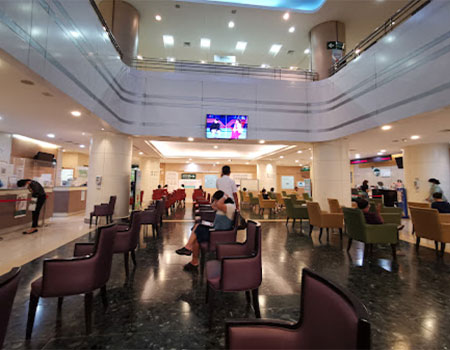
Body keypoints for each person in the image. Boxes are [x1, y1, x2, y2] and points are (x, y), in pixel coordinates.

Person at [175, 190, 236, 270]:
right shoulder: (224, 206)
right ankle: (193, 259)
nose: (216, 202)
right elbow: (213, 206)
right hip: (216, 230)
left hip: (219, 234)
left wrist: (224, 196)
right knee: (197, 229)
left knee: (198, 229)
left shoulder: (230, 206)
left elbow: (218, 204)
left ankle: (189, 249)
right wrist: (216, 200)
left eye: (217, 200)